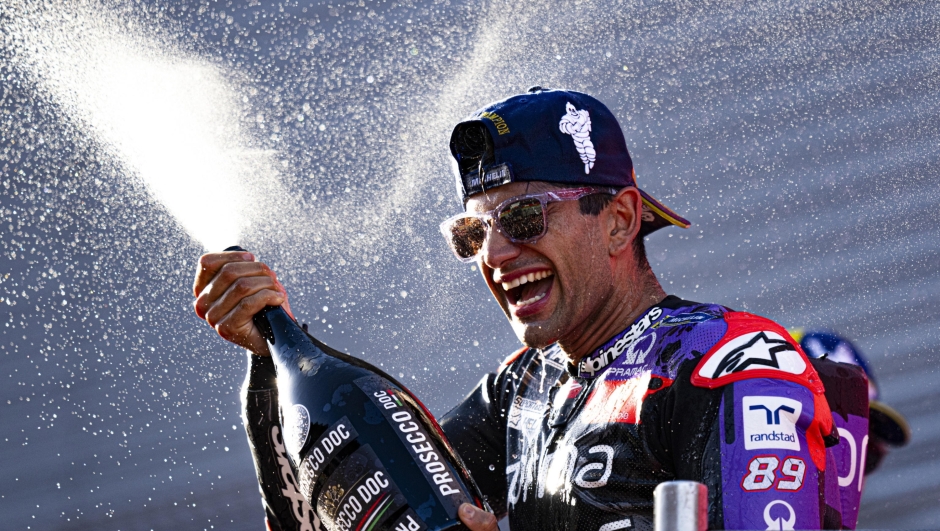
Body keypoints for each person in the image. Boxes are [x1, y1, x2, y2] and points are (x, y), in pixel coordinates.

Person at [193, 88, 868, 531]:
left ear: (619, 219)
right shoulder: (521, 387)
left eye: (523, 217)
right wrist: (269, 351)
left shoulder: (732, 365)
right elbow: (345, 500)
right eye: (473, 234)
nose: (496, 253)